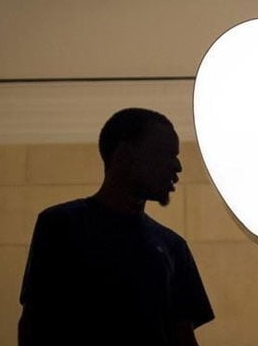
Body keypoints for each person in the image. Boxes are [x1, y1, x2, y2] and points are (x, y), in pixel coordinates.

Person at [18, 108, 214, 346]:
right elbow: (36, 324)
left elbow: (183, 337)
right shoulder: (61, 225)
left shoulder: (174, 248)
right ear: (124, 155)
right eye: (164, 153)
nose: (177, 166)